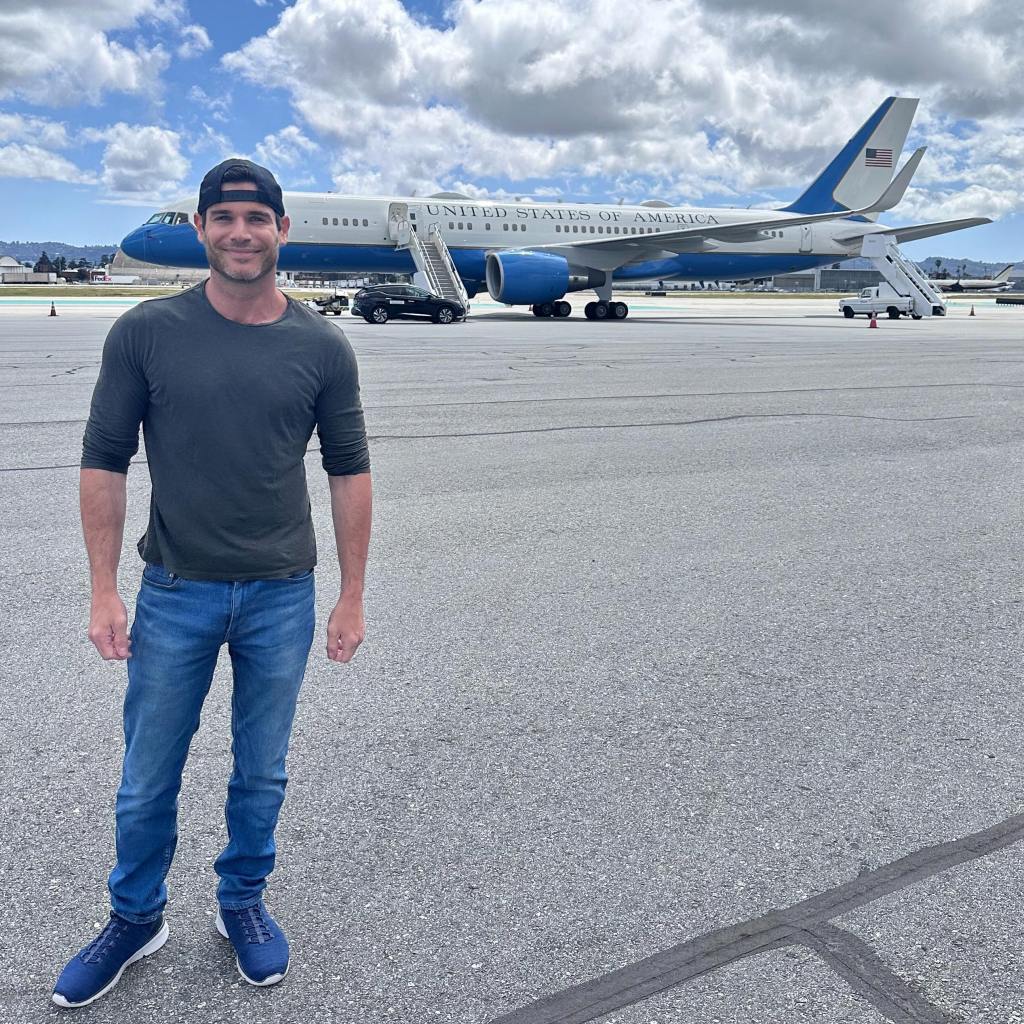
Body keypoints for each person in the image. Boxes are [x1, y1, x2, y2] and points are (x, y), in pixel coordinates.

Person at [52, 159, 372, 1008]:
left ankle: (242, 902)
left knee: (261, 770)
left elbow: (349, 469)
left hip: (281, 593)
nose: (240, 233)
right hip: (175, 590)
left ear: (281, 230)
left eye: (256, 218)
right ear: (201, 229)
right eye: (223, 217)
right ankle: (135, 917)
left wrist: (351, 594)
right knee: (147, 775)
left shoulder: (321, 346)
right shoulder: (146, 333)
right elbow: (103, 460)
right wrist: (103, 588)